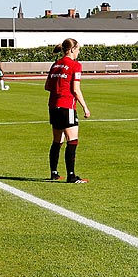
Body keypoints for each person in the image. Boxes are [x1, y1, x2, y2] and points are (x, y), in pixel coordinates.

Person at [43, 37, 92, 183]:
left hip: (53, 106)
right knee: (72, 140)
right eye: (77, 49)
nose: (78, 52)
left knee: (57, 140)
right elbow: (76, 90)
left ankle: (54, 173)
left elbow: (47, 86)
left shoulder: (55, 64)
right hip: (67, 106)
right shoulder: (75, 65)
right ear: (71, 50)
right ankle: (71, 175)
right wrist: (85, 107)